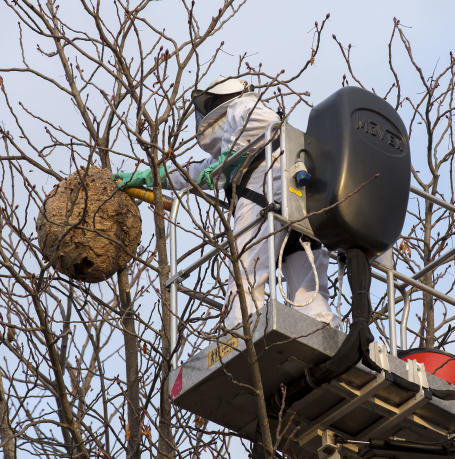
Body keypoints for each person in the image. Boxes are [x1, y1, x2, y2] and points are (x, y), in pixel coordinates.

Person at [114, 77, 339, 329]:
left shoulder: (242, 107)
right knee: (306, 275)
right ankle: (320, 327)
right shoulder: (247, 144)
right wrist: (148, 176)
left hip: (264, 195)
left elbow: (259, 129)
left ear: (220, 101)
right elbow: (193, 172)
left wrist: (227, 159)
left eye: (210, 103)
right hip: (302, 203)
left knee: (246, 270)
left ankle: (239, 331)